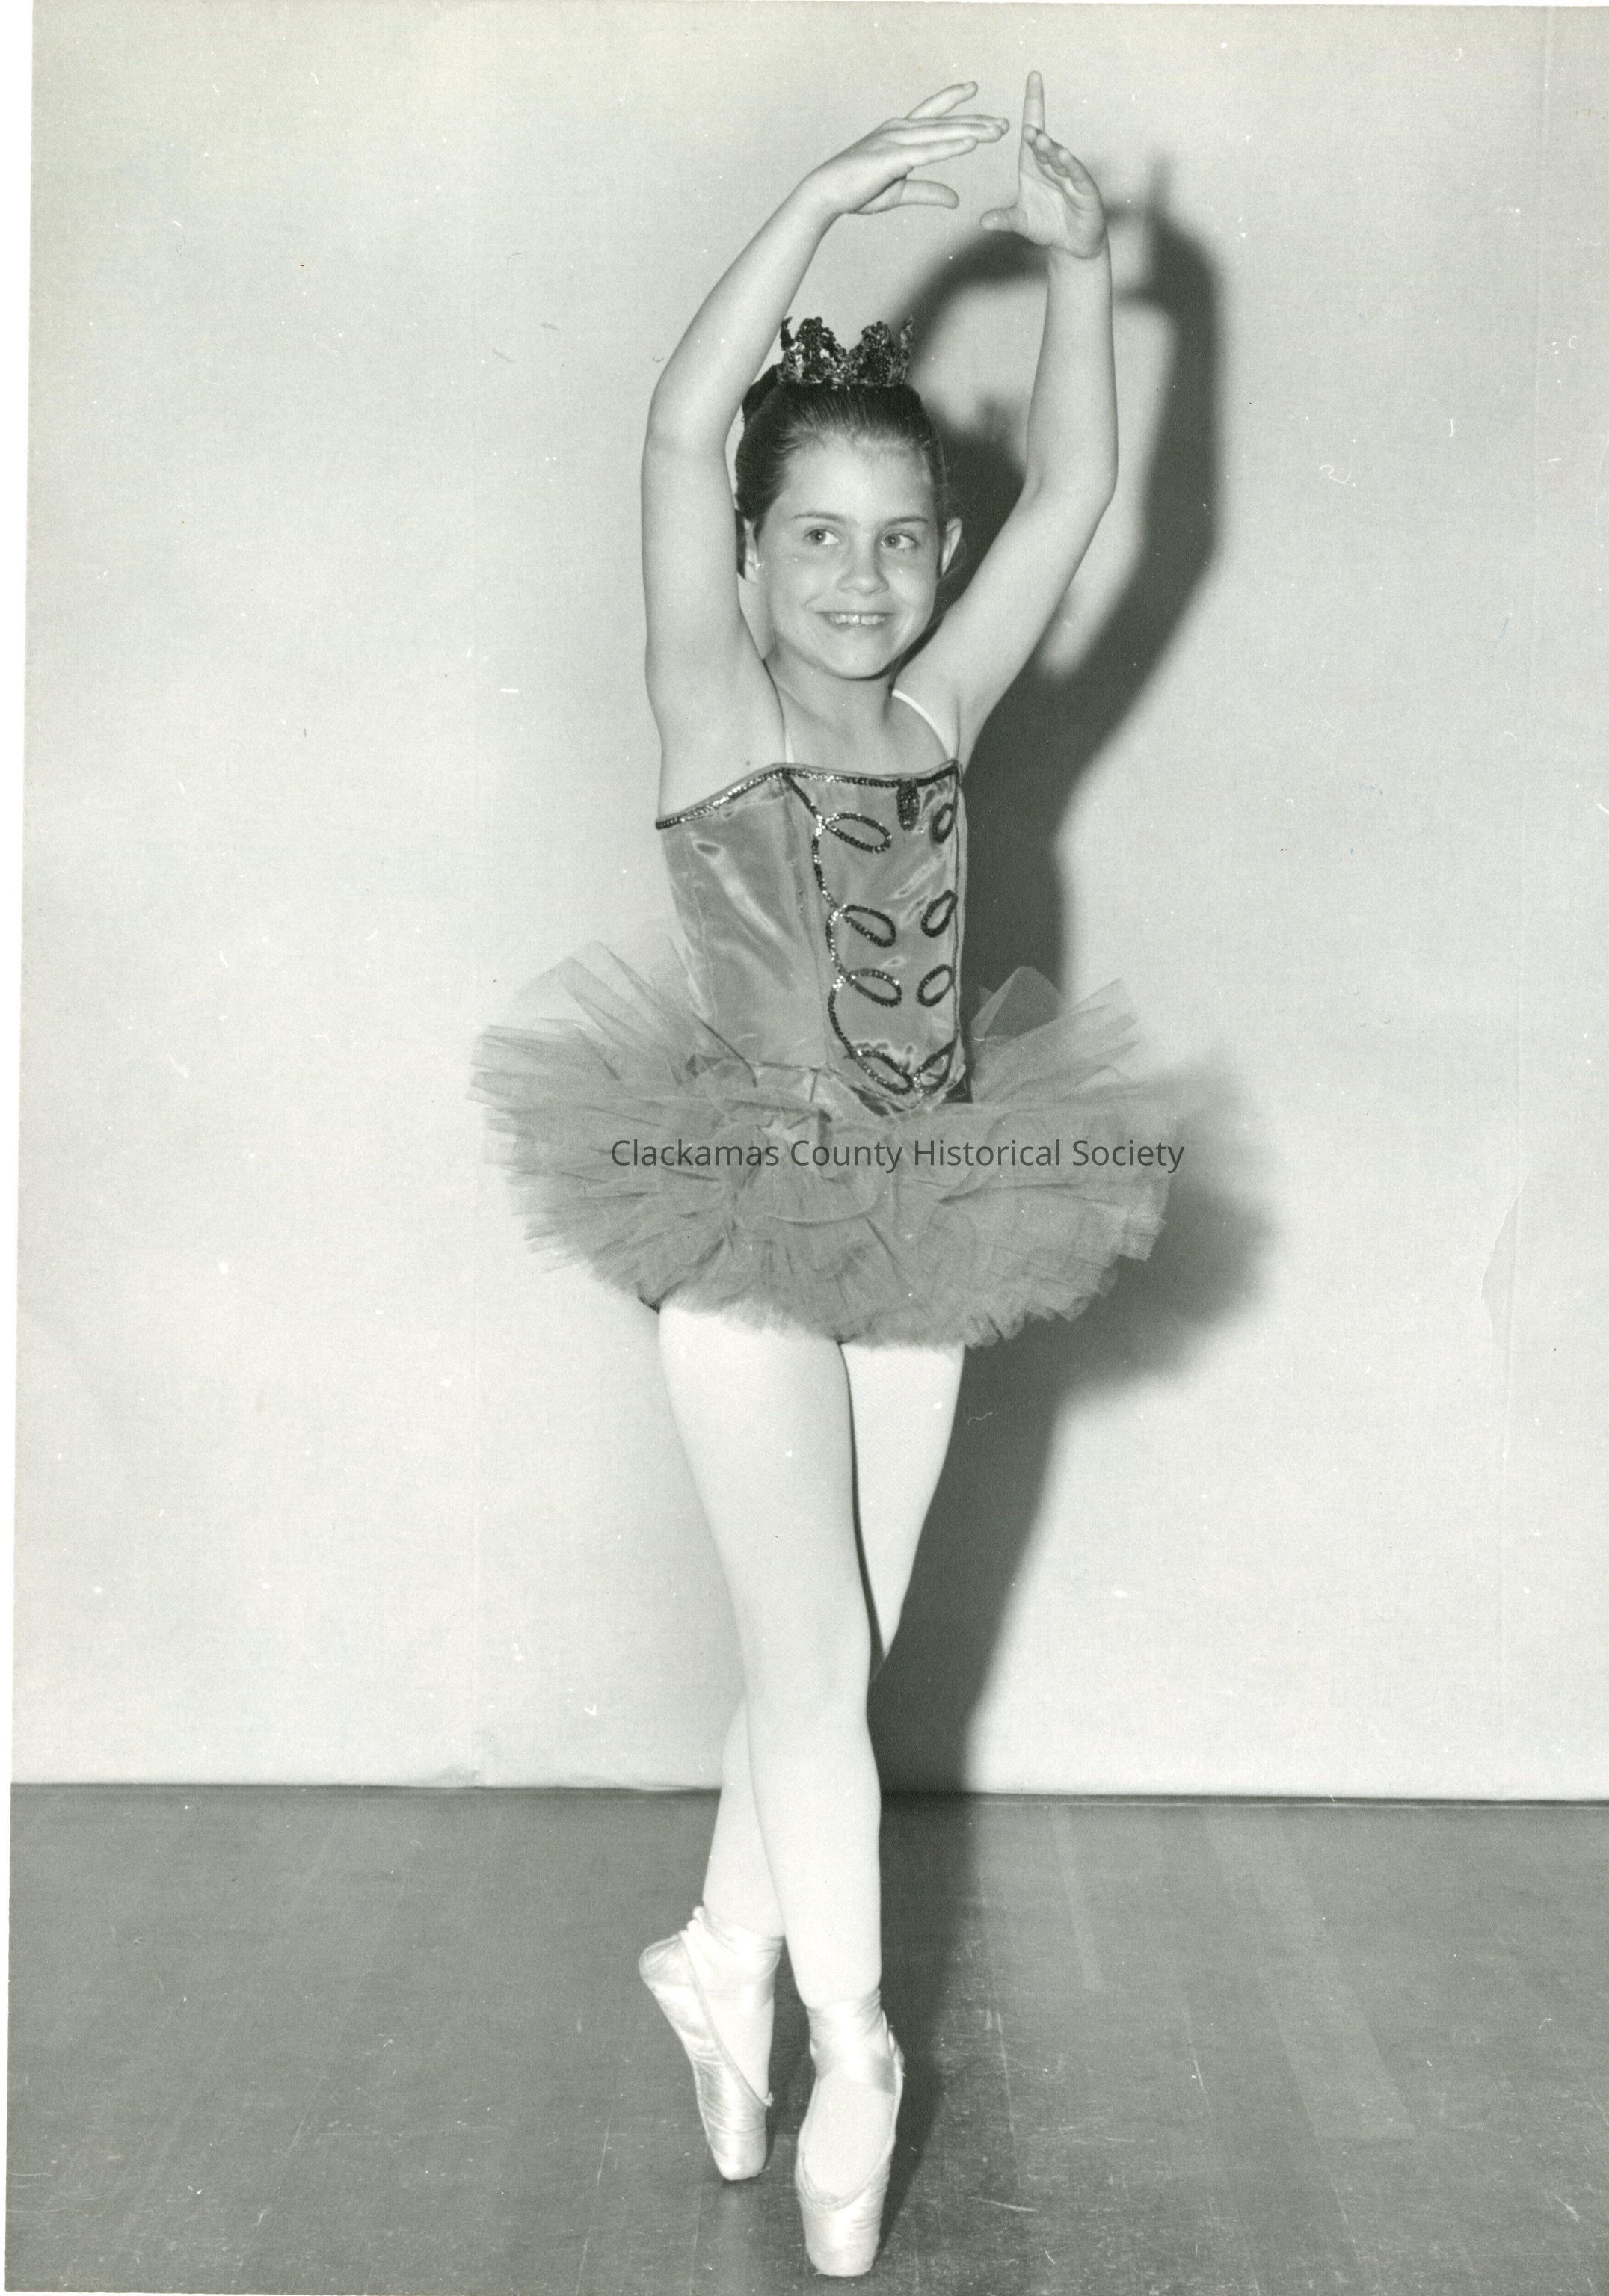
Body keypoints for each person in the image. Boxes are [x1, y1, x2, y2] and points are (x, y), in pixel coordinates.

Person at [471, 74, 1176, 2277]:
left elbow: (1083, 492)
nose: (864, 580)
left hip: (931, 1211)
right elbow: (676, 430)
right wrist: (818, 199)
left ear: (935, 558)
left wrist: (1077, 266)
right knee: (805, 1665)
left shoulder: (939, 717)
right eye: (817, 540)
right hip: (740, 1213)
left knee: (832, 1657)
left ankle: (718, 1953)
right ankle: (852, 2050)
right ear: (751, 563)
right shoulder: (719, 711)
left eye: (901, 541)